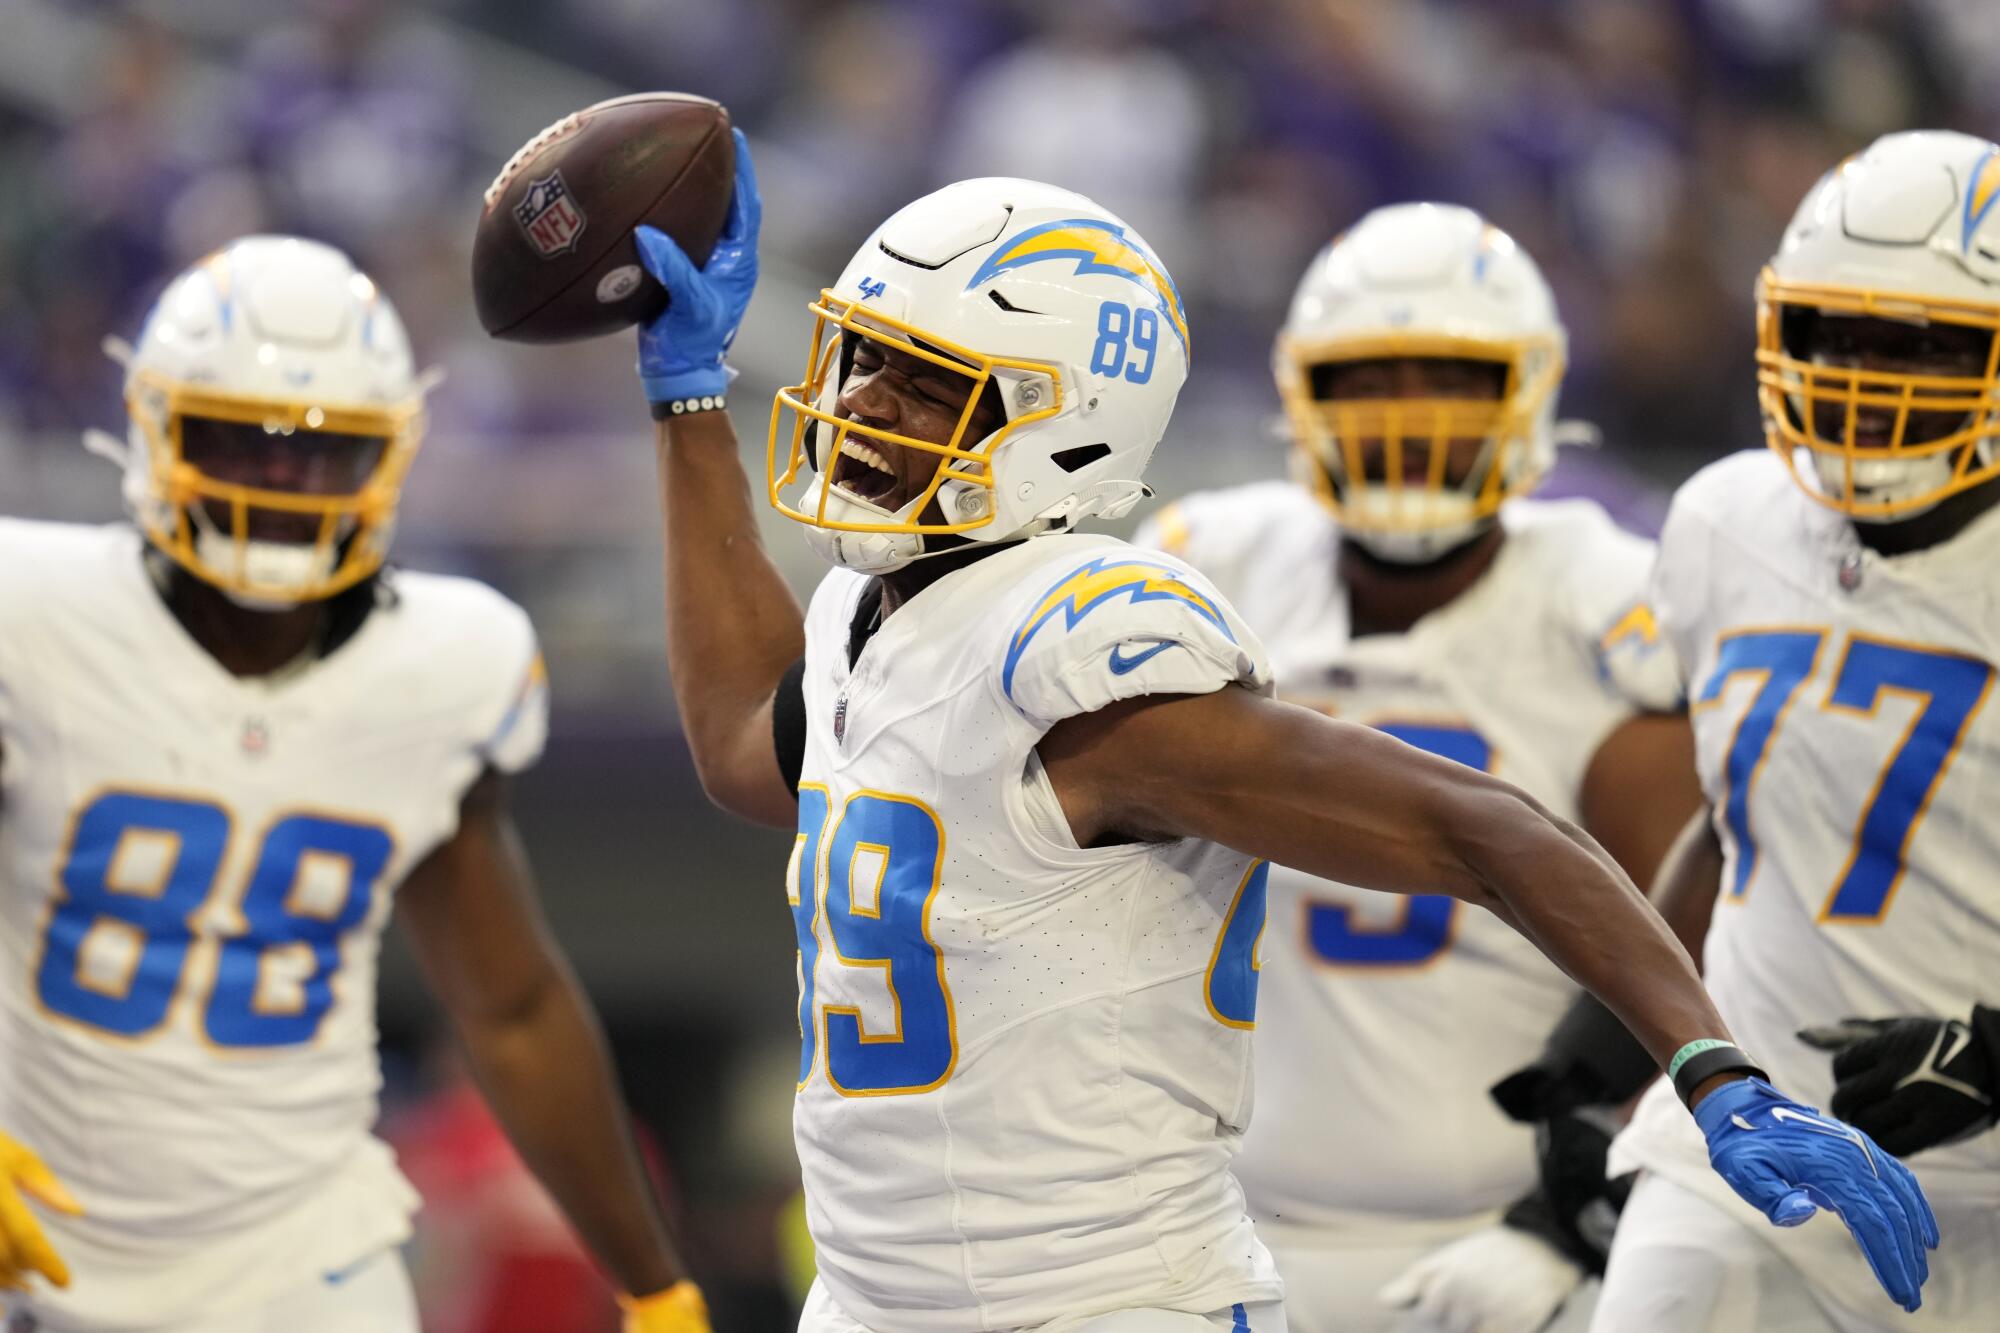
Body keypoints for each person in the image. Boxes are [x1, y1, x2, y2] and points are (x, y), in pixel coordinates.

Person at [629, 134, 1934, 1333]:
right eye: (860, 357)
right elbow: (748, 741)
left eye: (925, 384)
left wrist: (1709, 1069)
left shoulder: (1083, 652)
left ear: (1063, 425)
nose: (862, 400)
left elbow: (1477, 825)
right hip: (873, 1302)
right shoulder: (880, 607)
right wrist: (689, 399)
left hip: (1107, 1302)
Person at [0, 236, 708, 1333]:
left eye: (323, 452)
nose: (280, 481)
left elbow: (511, 1006)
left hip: (301, 1256)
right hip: (33, 1238)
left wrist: (653, 1283)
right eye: (243, 440)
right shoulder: (34, 613)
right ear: (154, 426)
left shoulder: (443, 663)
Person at [1132, 203, 1700, 1333]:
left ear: (1526, 394)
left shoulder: (1610, 605)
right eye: (1368, 379)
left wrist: (1571, 1215)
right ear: (1302, 393)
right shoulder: (1208, 566)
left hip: (1505, 1241)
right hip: (1215, 1229)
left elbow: (1698, 951)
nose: (1405, 416)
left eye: (1445, 377)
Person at [1578, 127, 2000, 1332]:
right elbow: (1740, 813)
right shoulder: (1721, 519)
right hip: (1759, 1152)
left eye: (1916, 344)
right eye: (1836, 332)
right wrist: (1607, 1052)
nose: (1864, 375)